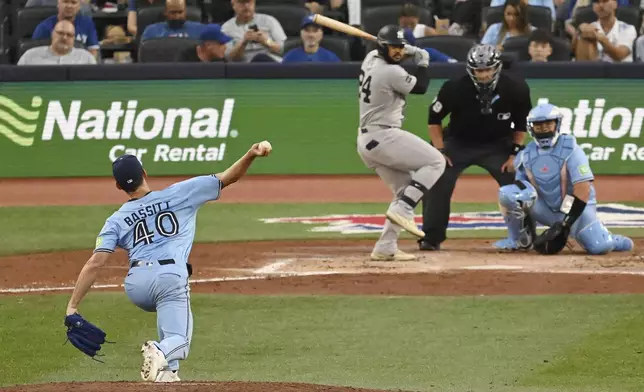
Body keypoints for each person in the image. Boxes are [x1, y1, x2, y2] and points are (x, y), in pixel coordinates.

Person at [63, 141, 272, 382]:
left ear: (119, 186)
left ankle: (167, 373)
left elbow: (95, 263)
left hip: (136, 285)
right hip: (170, 276)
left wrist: (72, 306)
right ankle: (159, 351)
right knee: (180, 342)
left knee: (169, 316)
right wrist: (250, 154)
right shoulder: (181, 192)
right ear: (144, 173)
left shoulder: (115, 220)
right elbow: (227, 177)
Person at [418, 44, 532, 251]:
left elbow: (521, 125)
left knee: (519, 179)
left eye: (488, 69)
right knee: (437, 176)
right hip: (458, 142)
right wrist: (440, 151)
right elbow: (434, 119)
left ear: (497, 68)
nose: (484, 75)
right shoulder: (453, 88)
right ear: (470, 70)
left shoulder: (517, 88)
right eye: (479, 70)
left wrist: (515, 154)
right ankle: (431, 237)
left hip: (498, 144)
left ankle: (525, 234)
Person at [494, 102, 634, 254]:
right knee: (509, 194)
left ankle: (613, 239)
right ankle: (520, 240)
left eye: (548, 124)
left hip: (574, 210)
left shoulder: (571, 149)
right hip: (545, 208)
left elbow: (583, 188)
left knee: (600, 247)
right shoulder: (526, 154)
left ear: (557, 124)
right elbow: (521, 188)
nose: (544, 129)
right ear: (531, 128)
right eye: (539, 126)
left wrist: (566, 223)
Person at [357, 24, 446, 261]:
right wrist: (423, 60)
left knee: (405, 189)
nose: (397, 52)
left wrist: (403, 49)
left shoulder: (370, 58)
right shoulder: (391, 73)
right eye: (392, 47)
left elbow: (392, 55)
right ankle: (404, 210)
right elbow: (421, 87)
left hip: (367, 141)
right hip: (384, 136)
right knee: (437, 161)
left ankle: (385, 247)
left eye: (399, 47)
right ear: (381, 47)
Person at [571, 0, 636, 63]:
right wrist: (578, 32)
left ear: (615, 4)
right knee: (584, 38)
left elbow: (619, 56)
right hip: (594, 71)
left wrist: (602, 40)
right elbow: (572, 53)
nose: (601, 5)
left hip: (620, 72)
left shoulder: (628, 29)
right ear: (593, 7)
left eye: (605, 1)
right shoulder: (589, 28)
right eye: (597, 2)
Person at [222, 0, 287, 62]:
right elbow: (230, 58)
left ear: (254, 3)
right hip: (245, 67)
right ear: (233, 4)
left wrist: (266, 41)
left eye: (249, 2)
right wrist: (243, 42)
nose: (246, 6)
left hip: (270, 62)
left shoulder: (269, 21)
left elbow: (280, 49)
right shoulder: (226, 28)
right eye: (242, 2)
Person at [31, 0, 99, 56]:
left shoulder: (87, 23)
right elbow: (35, 54)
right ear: (58, 4)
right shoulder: (44, 27)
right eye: (65, 1)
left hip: (79, 66)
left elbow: (93, 51)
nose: (69, 6)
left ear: (79, 6)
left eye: (73, 2)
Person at [19, 20, 96, 65]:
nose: (64, 37)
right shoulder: (29, 56)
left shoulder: (87, 58)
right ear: (52, 34)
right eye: (60, 33)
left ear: (74, 39)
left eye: (69, 35)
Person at [141, 0, 205, 41]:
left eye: (180, 12)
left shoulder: (199, 29)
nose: (177, 17)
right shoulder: (151, 31)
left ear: (185, 12)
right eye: (173, 12)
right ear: (165, 12)